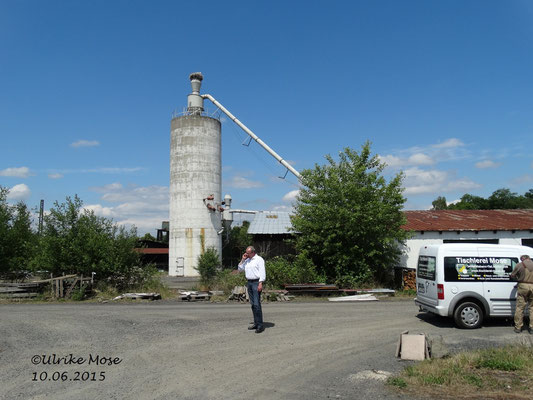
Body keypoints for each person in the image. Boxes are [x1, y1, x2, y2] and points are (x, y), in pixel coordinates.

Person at [237, 246, 266, 333]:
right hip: (249, 283)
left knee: (257, 304)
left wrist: (260, 283)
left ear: (253, 252)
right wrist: (242, 259)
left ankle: (260, 325)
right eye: (246, 253)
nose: (246, 254)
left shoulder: (259, 259)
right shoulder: (247, 260)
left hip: (256, 282)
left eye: (248, 253)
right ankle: (256, 323)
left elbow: (262, 271)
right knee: (253, 304)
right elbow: (240, 269)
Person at [510, 254, 533, 334]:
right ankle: (532, 327)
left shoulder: (519, 265)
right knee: (532, 308)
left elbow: (512, 275)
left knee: (520, 308)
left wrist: (517, 278)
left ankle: (518, 327)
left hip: (523, 286)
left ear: (523, 258)